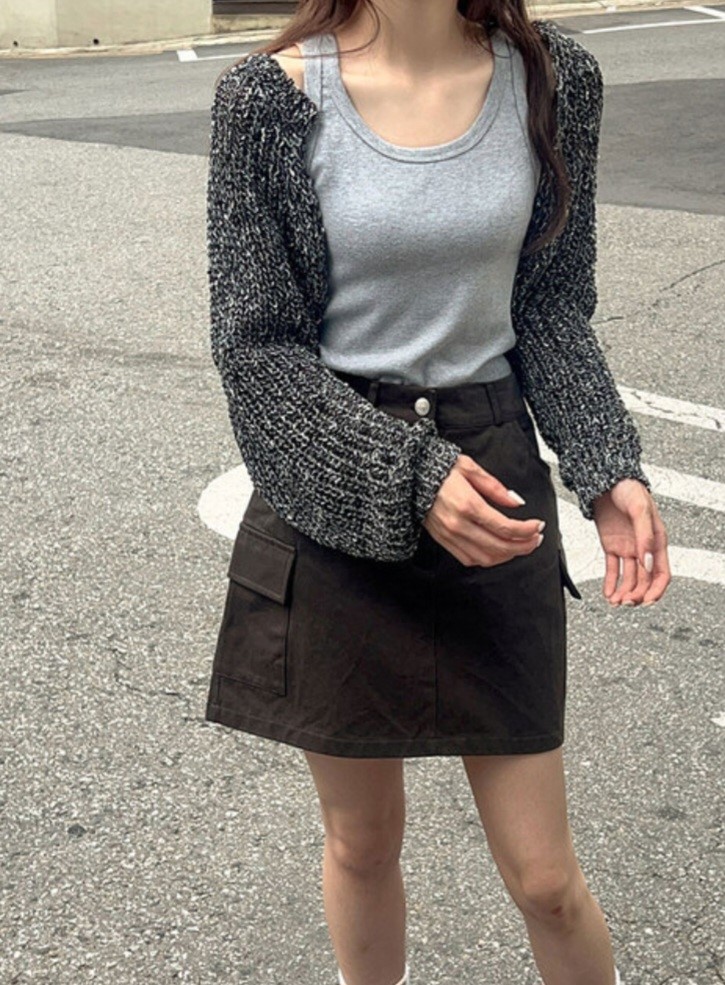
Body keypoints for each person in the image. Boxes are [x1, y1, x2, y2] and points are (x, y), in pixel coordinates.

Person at [203, 2, 672, 984]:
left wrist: (604, 463)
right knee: (361, 842)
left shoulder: (553, 81)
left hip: (491, 480)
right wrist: (406, 474)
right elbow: (258, 351)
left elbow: (548, 302)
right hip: (332, 479)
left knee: (545, 876)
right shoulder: (267, 99)